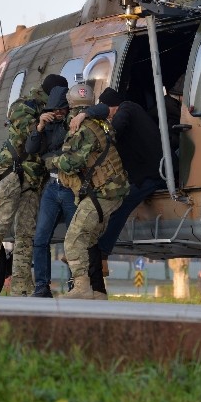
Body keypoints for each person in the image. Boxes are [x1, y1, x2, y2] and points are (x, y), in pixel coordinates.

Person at [0, 73, 68, 297]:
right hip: (12, 174)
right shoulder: (25, 106)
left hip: (34, 181)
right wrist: (41, 123)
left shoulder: (58, 115)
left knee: (26, 235)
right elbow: (27, 142)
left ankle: (21, 288)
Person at [74, 87, 166, 291]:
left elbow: (115, 129)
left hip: (151, 175)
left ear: (110, 109)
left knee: (120, 205)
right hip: (151, 173)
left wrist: (88, 116)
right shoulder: (135, 113)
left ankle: (102, 253)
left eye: (108, 114)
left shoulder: (127, 108)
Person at [51, 82, 129, 299]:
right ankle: (97, 292)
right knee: (89, 238)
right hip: (112, 192)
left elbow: (73, 163)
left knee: (73, 239)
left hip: (103, 193)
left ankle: (82, 287)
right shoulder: (99, 122)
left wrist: (52, 162)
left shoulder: (82, 128)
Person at [25, 84, 77, 297]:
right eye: (54, 110)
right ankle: (42, 286)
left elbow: (65, 155)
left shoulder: (73, 122)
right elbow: (31, 149)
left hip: (71, 187)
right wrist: (39, 127)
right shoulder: (47, 125)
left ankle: (76, 283)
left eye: (61, 110)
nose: (57, 114)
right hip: (52, 186)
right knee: (40, 238)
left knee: (75, 238)